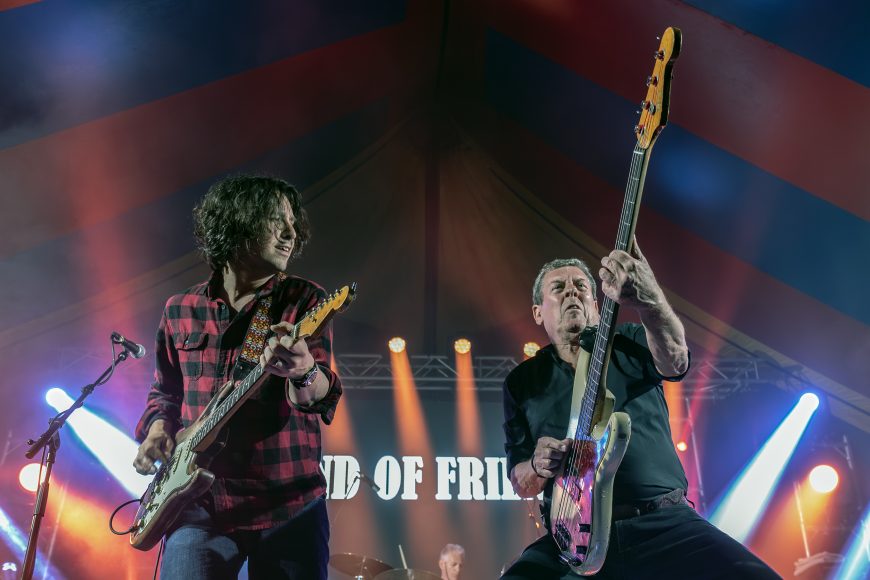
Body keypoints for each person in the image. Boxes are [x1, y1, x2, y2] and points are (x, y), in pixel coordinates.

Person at [500, 243, 780, 579]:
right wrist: (536, 464)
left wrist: (649, 299)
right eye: (558, 288)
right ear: (538, 312)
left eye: (581, 287)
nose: (571, 292)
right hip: (575, 541)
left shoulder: (630, 340)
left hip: (664, 524)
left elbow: (677, 361)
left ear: (595, 303)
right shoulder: (522, 382)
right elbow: (523, 483)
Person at [132, 174, 342, 579]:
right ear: (237, 222)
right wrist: (158, 428)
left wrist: (303, 371)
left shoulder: (303, 300)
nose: (290, 234)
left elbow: (319, 396)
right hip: (197, 504)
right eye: (277, 221)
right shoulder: (180, 308)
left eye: (294, 225)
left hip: (288, 505)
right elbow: (165, 392)